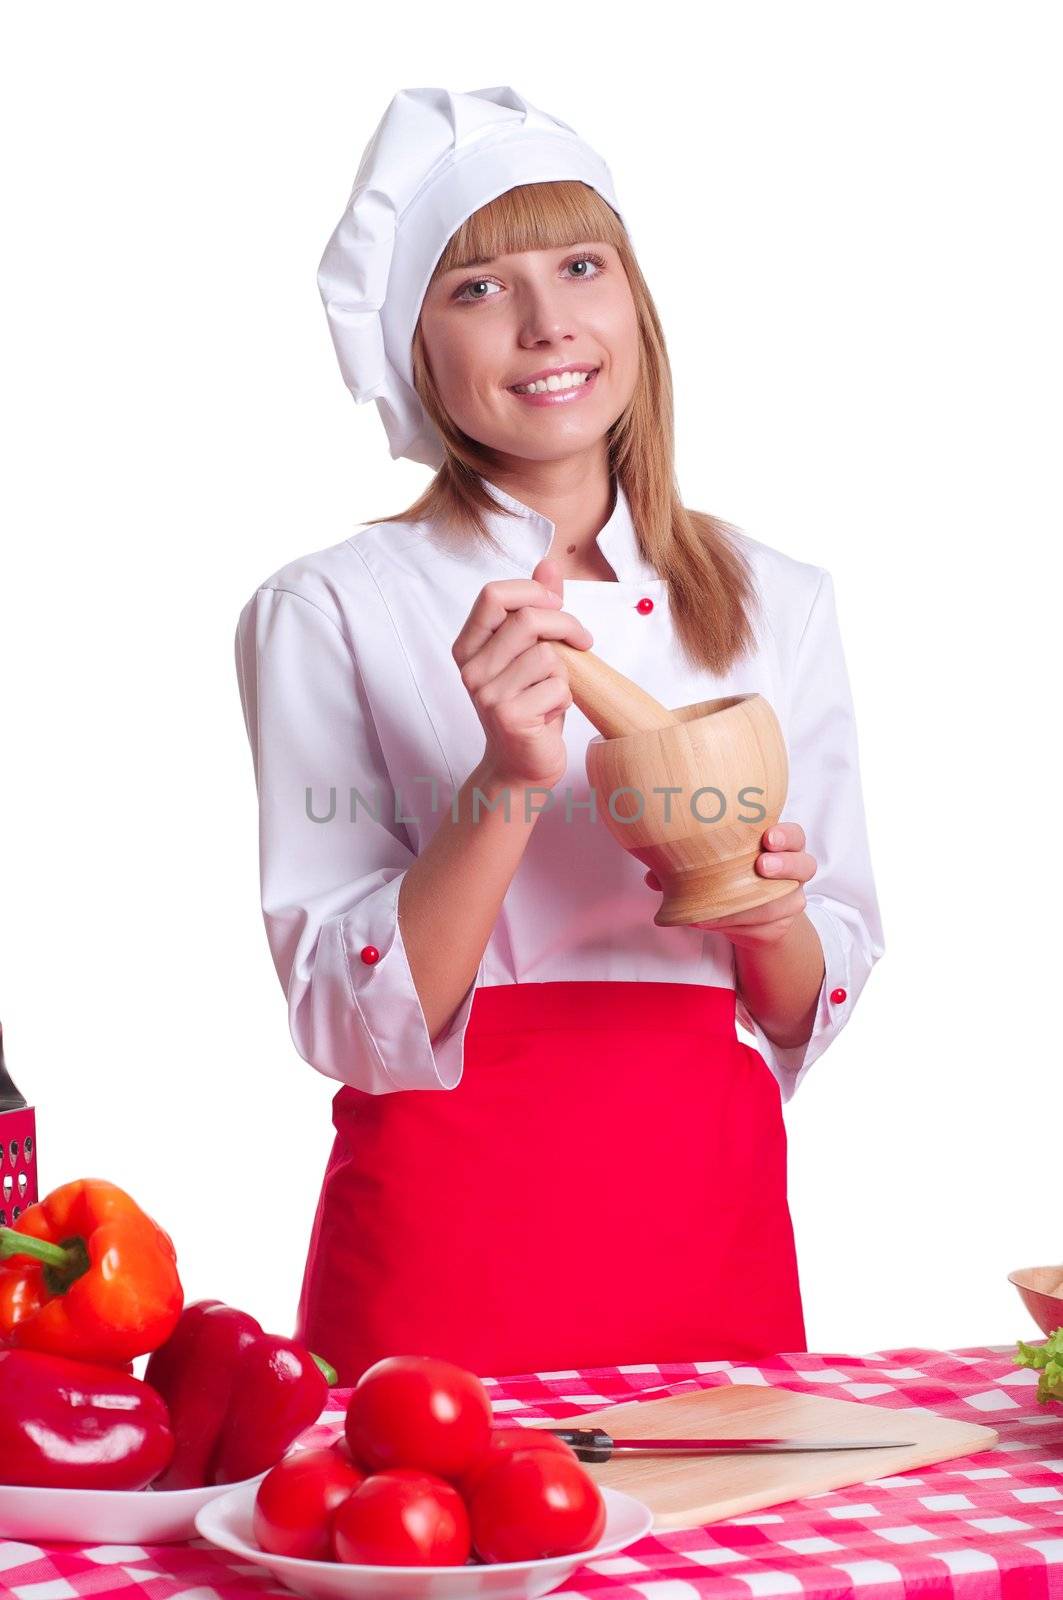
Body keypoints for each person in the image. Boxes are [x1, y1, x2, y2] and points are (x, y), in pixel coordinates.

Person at [234, 86, 884, 1387]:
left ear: (635, 301)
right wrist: (506, 784)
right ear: (413, 342)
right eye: (477, 286)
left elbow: (815, 998)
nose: (547, 326)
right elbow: (342, 1021)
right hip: (446, 1254)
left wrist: (765, 916)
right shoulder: (331, 610)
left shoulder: (777, 601)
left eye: (582, 267)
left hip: (708, 1225)